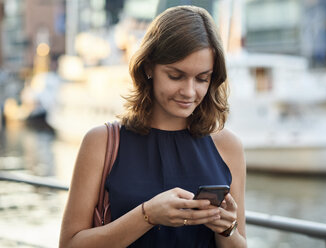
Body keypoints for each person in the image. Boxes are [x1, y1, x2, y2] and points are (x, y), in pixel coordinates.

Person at [59, 5, 247, 248]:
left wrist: (226, 229)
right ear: (148, 67)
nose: (189, 92)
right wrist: (147, 215)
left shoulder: (228, 147)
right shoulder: (102, 142)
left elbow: (239, 242)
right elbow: (69, 244)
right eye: (176, 76)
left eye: (202, 78)